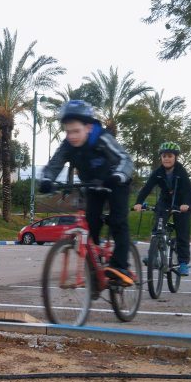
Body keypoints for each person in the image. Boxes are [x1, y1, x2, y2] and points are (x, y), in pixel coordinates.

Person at [38, 100, 136, 286]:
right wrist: (46, 180)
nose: (72, 136)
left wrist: (118, 176)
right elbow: (54, 164)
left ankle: (121, 267)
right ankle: (96, 269)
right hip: (92, 185)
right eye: (68, 132)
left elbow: (125, 159)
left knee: (117, 221)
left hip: (116, 183)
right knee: (91, 222)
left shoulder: (102, 138)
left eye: (76, 131)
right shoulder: (67, 145)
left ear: (89, 127)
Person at [132, 141, 191, 276]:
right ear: (161, 157)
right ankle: (154, 256)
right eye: (164, 156)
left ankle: (183, 263)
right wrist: (139, 202)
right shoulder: (158, 172)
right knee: (157, 228)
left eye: (170, 156)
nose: (166, 159)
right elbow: (147, 187)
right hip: (165, 201)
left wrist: (186, 204)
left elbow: (188, 190)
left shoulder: (181, 171)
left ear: (175, 157)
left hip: (181, 203)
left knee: (182, 233)